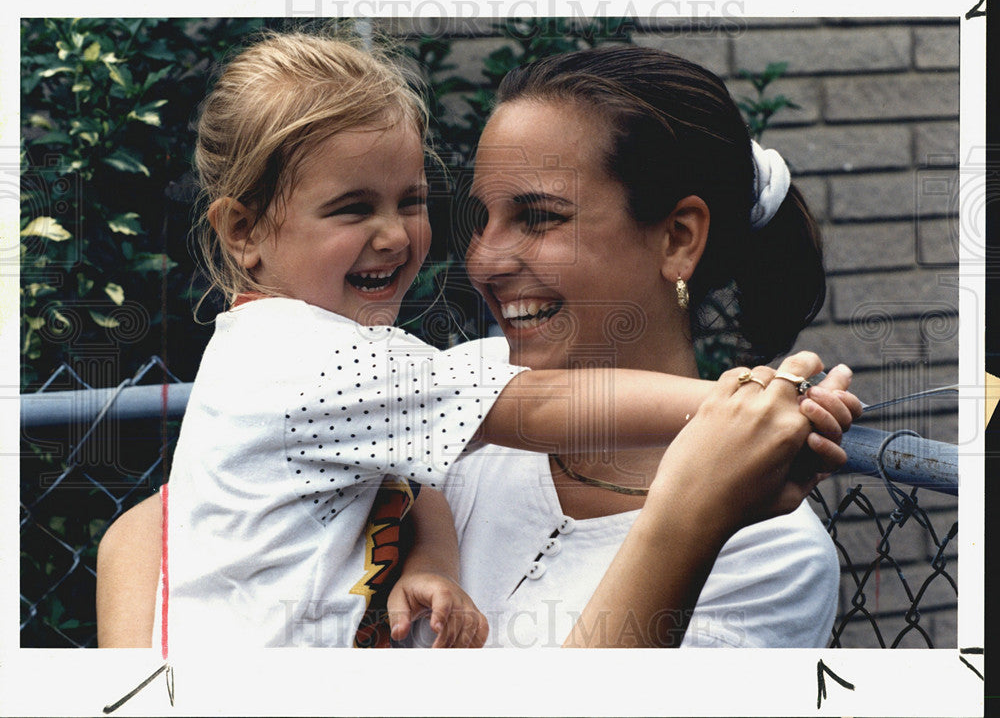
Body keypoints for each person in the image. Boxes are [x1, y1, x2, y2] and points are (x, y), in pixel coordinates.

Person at [96, 40, 860, 650]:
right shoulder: (461, 378)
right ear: (243, 231)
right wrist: (737, 403)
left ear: (679, 238)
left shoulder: (768, 553)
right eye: (483, 218)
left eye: (538, 217)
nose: (484, 260)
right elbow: (146, 530)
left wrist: (688, 520)